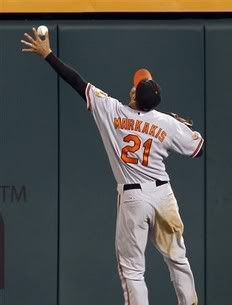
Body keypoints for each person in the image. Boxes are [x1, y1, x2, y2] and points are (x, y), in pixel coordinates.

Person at [21, 28, 203, 305]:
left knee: (132, 270)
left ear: (136, 97)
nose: (133, 87)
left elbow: (77, 82)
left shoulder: (113, 111)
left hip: (133, 198)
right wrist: (183, 127)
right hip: (164, 196)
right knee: (178, 259)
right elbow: (198, 149)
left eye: (136, 87)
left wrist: (48, 55)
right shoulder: (168, 123)